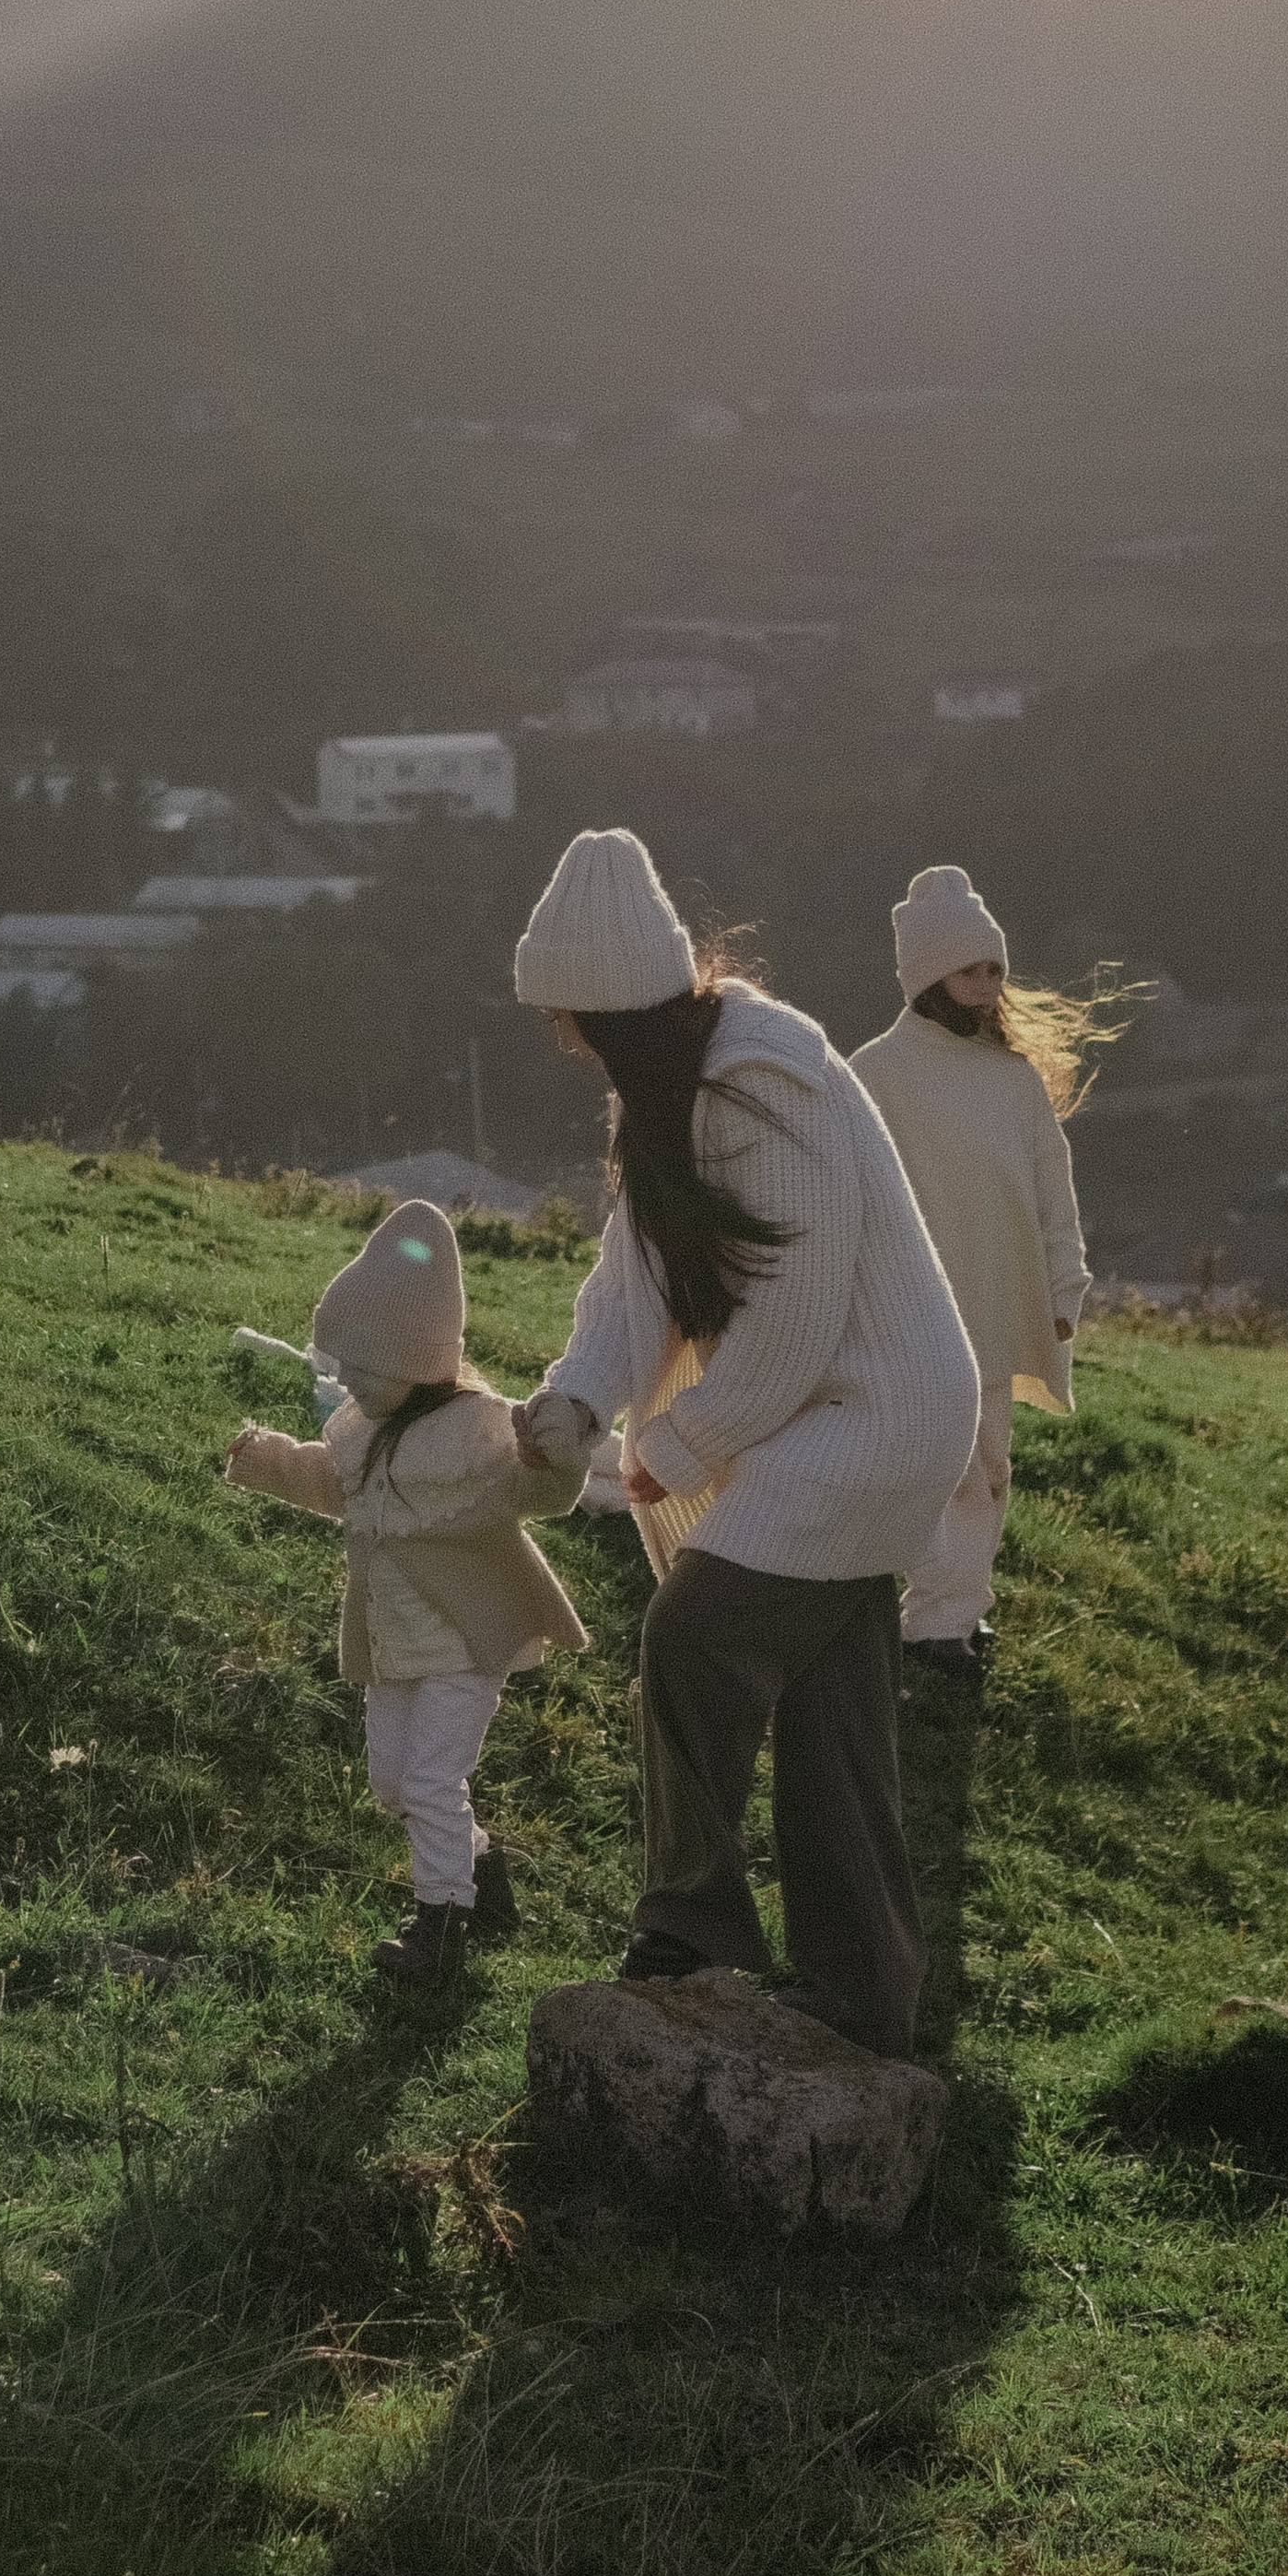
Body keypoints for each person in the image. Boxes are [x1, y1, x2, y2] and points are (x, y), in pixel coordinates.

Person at [512, 827, 978, 2060]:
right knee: (836, 1721)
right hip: (824, 1419)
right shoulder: (670, 1089)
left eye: (567, 1013)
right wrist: (574, 1399)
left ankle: (693, 1932)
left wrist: (675, 1443)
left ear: (609, 1006)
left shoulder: (766, 1086)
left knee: (697, 1635)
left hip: (874, 1417)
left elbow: (799, 1314)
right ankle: (868, 1998)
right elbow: (632, 1281)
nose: (559, 1035)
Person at [223, 1199, 589, 1987]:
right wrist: (263, 1460)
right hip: (393, 1641)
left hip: (464, 1640)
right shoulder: (360, 1425)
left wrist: (562, 1452)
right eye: (340, 1366)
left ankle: (441, 1927)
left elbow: (545, 1491)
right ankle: (482, 1874)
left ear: (414, 1360)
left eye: (361, 1366)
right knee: (393, 1783)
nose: (345, 1381)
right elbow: (335, 1484)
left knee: (429, 1778)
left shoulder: (480, 1431)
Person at [849, 866, 1093, 1674]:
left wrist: (1064, 1292)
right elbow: (847, 1195)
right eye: (969, 969)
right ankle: (925, 1625)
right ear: (926, 974)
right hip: (912, 1314)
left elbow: (1054, 1196)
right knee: (936, 1468)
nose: (986, 986)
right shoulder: (873, 1075)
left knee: (989, 1468)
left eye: (995, 969)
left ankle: (954, 1621)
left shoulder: (1013, 1080)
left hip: (997, 1308)